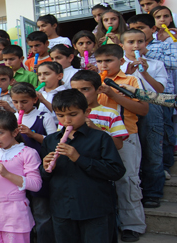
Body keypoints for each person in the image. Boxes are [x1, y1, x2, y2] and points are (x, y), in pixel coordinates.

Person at [41, 89, 126, 243]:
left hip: (94, 208)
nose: (66, 120)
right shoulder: (51, 141)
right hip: (62, 209)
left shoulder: (101, 138)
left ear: (87, 111)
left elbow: (116, 171)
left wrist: (78, 158)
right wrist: (46, 167)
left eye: (73, 115)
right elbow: (44, 176)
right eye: (60, 116)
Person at [96, 44, 149, 241]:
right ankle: (108, 221)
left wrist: (113, 94)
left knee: (127, 179)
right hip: (98, 137)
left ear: (120, 61)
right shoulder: (93, 80)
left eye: (108, 60)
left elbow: (143, 110)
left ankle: (132, 225)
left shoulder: (131, 80)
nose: (104, 65)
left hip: (126, 135)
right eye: (100, 61)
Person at [0, 110, 42, 243]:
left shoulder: (28, 153)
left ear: (15, 132)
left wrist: (7, 174)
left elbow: (36, 185)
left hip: (15, 214)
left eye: (0, 132)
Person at [121, 29, 167, 209]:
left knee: (152, 149)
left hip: (151, 106)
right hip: (126, 107)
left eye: (140, 42)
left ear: (145, 43)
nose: (135, 46)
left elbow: (160, 90)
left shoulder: (156, 64)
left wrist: (145, 73)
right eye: (131, 42)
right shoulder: (119, 65)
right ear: (123, 45)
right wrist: (128, 72)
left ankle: (153, 192)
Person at [10, 82, 57, 243]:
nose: (19, 105)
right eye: (15, 102)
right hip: (17, 169)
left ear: (34, 99)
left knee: (41, 210)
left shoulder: (44, 117)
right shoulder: (13, 118)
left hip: (38, 169)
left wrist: (32, 135)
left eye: (24, 101)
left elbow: (53, 142)